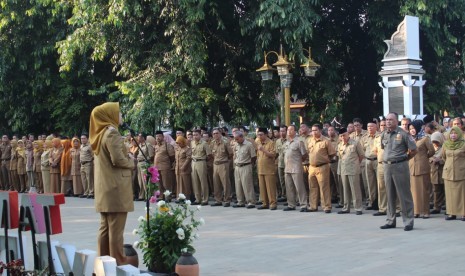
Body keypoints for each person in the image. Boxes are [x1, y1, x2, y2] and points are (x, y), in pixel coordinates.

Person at [90, 102, 135, 265]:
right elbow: (117, 160)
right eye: (118, 112)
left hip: (105, 189)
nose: (121, 116)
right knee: (116, 230)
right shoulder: (111, 133)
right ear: (109, 115)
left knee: (105, 228)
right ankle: (118, 264)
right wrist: (131, 163)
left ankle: (103, 262)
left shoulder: (99, 134)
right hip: (115, 188)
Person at [380, 113, 417, 231]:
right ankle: (390, 220)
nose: (388, 122)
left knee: (404, 194)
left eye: (391, 119)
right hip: (387, 166)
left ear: (397, 121)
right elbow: (383, 148)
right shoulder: (384, 134)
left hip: (400, 166)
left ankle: (408, 221)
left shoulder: (404, 134)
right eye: (387, 120)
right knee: (389, 195)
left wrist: (404, 159)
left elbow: (414, 150)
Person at [408, 121, 435, 219]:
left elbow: (431, 151)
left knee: (424, 190)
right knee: (414, 191)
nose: (412, 130)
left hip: (422, 167)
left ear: (418, 128)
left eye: (413, 128)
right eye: (410, 129)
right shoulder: (409, 139)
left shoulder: (425, 139)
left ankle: (425, 211)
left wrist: (424, 157)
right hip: (412, 168)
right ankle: (416, 211)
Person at [308, 124, 336, 213]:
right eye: (312, 130)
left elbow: (332, 154)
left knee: (324, 187)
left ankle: (326, 206)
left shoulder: (326, 141)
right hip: (312, 167)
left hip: (322, 166)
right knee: (312, 187)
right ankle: (313, 206)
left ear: (320, 130)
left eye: (315, 130)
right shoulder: (310, 141)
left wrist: (325, 161)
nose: (313, 132)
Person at [337, 128, 364, 215]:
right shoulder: (340, 145)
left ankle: (358, 208)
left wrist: (355, 164)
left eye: (344, 135)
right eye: (341, 136)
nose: (343, 137)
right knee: (345, 190)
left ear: (348, 134)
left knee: (355, 189)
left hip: (353, 170)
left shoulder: (355, 143)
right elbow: (340, 158)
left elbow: (361, 155)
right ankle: (346, 207)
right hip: (344, 170)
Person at [442, 126, 465, 221]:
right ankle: (452, 213)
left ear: (459, 134)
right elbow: (444, 157)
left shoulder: (463, 144)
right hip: (448, 172)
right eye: (451, 133)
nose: (453, 135)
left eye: (455, 133)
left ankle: (463, 213)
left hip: (461, 172)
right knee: (449, 194)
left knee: (462, 194)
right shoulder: (446, 144)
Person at [283, 125, 308, 212]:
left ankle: (303, 205)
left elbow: (304, 155)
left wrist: (298, 161)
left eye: (291, 130)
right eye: (288, 130)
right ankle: (291, 204)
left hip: (296, 167)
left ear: (295, 131)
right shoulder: (286, 142)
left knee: (299, 187)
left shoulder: (299, 142)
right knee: (289, 187)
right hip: (287, 168)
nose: (289, 131)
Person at [232, 131, 256, 208]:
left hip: (246, 166)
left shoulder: (249, 145)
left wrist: (250, 165)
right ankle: (240, 201)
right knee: (238, 185)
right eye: (235, 139)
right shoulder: (236, 145)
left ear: (242, 137)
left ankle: (250, 202)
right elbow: (234, 155)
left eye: (237, 139)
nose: (236, 141)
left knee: (247, 185)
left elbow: (253, 157)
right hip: (237, 166)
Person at [256, 127, 277, 210]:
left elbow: (273, 155)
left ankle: (273, 203)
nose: (259, 136)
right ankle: (264, 203)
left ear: (266, 134)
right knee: (262, 187)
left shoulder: (271, 143)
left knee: (270, 187)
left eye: (261, 135)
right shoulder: (258, 142)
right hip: (261, 168)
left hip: (269, 169)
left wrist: (263, 150)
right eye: (258, 135)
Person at [210, 128, 233, 207]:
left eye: (217, 133)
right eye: (214, 134)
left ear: (220, 134)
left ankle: (227, 200)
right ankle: (218, 200)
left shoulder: (225, 142)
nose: (215, 135)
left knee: (225, 183)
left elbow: (230, 154)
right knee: (216, 183)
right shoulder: (212, 143)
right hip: (215, 164)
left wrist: (226, 161)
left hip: (224, 164)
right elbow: (212, 154)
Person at [360, 122, 379, 210]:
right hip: (367, 161)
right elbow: (361, 149)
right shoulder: (364, 138)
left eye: (371, 126)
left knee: (380, 183)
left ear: (376, 127)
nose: (370, 128)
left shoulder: (379, 136)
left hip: (377, 161)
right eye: (368, 126)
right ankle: (372, 202)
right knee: (370, 183)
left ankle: (380, 203)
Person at [190, 129, 212, 205]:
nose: (195, 136)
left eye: (196, 135)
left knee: (203, 181)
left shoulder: (204, 143)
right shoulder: (192, 143)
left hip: (201, 162)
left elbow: (209, 155)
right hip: (193, 162)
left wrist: (204, 161)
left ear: (200, 135)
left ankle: (205, 199)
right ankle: (197, 199)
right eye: (193, 135)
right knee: (195, 181)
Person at [154, 131, 176, 198]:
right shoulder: (156, 146)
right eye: (157, 136)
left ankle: (168, 197)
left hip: (165, 167)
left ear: (163, 137)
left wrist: (168, 163)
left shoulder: (167, 145)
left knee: (166, 183)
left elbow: (172, 156)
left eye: (159, 136)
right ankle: (161, 196)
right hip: (157, 167)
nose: (158, 138)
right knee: (159, 183)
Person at [430, 132, 445, 214]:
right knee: (436, 190)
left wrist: (440, 160)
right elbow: (427, 157)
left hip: (443, 171)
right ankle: (437, 207)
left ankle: (448, 207)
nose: (435, 144)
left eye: (436, 141)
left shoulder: (444, 148)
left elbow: (447, 158)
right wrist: (432, 159)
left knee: (445, 190)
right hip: (434, 172)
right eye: (433, 142)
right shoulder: (431, 149)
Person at [136, 133, 154, 201]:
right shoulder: (140, 145)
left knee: (145, 180)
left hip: (144, 163)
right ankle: (141, 196)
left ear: (143, 138)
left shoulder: (148, 145)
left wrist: (147, 161)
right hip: (139, 163)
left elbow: (151, 155)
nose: (138, 138)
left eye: (139, 137)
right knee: (140, 180)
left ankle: (148, 195)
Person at [327, 126, 343, 208]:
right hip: (328, 163)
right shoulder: (326, 140)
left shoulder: (339, 139)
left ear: (335, 131)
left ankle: (341, 198)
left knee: (338, 181)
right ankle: (333, 197)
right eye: (328, 130)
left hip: (336, 162)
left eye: (331, 130)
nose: (330, 132)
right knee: (330, 182)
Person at [174, 135, 192, 201]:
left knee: (185, 184)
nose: (178, 144)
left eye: (180, 143)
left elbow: (188, 158)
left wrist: (184, 166)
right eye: (177, 143)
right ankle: (179, 197)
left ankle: (187, 198)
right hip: (178, 169)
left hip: (185, 169)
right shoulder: (178, 149)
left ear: (183, 142)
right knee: (179, 184)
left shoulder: (187, 148)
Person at [275, 125, 288, 201]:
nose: (282, 133)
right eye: (281, 131)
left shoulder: (289, 140)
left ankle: (290, 197)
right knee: (282, 181)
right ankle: (284, 195)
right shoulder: (278, 141)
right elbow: (277, 153)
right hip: (280, 164)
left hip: (288, 164)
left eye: (283, 131)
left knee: (288, 182)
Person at [80, 134, 95, 198]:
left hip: (88, 164)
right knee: (84, 179)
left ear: (87, 139)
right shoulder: (81, 146)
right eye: (81, 138)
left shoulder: (89, 146)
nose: (82, 140)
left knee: (89, 179)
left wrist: (90, 161)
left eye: (84, 138)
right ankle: (85, 192)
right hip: (82, 164)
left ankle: (91, 192)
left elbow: (93, 155)